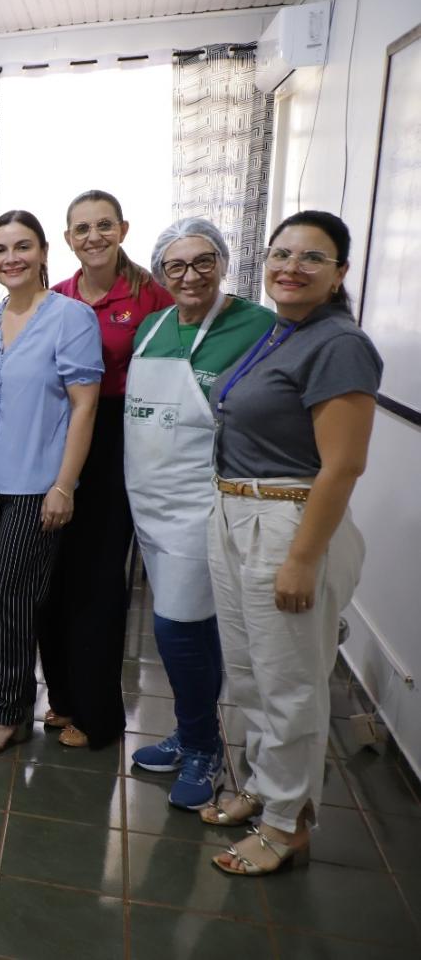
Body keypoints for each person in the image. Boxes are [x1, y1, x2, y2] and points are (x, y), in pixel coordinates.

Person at [206, 210, 380, 877]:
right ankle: (265, 788)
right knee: (250, 672)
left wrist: (303, 558)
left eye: (312, 257)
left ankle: (287, 824)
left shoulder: (339, 343)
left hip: (289, 523)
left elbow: (342, 466)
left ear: (339, 273)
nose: (291, 266)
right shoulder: (281, 333)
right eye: (281, 253)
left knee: (289, 684)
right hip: (237, 514)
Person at [124, 219, 273, 810]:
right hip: (148, 502)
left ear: (223, 262)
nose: (190, 276)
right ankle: (191, 733)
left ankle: (206, 747)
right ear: (161, 273)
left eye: (203, 262)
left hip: (200, 504)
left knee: (176, 628)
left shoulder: (256, 326)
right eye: (176, 266)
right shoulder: (152, 326)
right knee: (190, 624)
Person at [38, 189, 175, 750]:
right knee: (53, 576)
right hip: (64, 438)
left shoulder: (152, 297)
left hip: (120, 439)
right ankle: (63, 698)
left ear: (122, 228)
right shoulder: (57, 296)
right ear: (67, 239)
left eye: (103, 226)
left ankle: (99, 716)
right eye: (81, 229)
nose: (92, 237)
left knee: (97, 580)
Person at [0, 211, 102, 756]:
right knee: (5, 594)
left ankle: (8, 708)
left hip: (37, 484)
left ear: (45, 252)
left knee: (15, 596)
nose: (11, 258)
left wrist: (63, 485)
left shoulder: (71, 318)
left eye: (23, 246)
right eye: (0, 249)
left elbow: (85, 406)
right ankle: (18, 700)